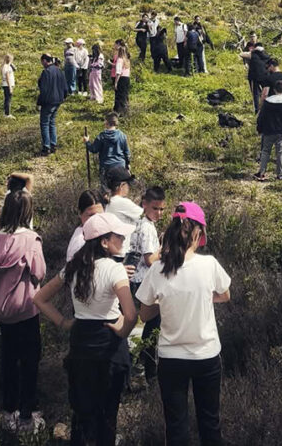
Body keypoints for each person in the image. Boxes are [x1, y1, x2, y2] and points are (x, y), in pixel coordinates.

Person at [33, 212, 137, 445]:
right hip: (109, 344)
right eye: (118, 236)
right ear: (104, 242)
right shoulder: (115, 269)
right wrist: (122, 330)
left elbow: (39, 298)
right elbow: (131, 315)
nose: (123, 239)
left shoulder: (73, 268)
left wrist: (63, 322)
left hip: (81, 342)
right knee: (108, 413)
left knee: (82, 410)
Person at [136, 202, 231, 445]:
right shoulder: (209, 265)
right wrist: (200, 296)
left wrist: (167, 300)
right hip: (206, 355)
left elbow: (144, 314)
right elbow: (225, 294)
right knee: (210, 424)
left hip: (171, 359)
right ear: (198, 233)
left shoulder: (158, 269)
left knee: (176, 428)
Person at [0, 173, 46, 434]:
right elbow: (39, 273)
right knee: (29, 363)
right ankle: (26, 417)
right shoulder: (30, 240)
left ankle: (8, 413)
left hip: (3, 312)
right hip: (26, 310)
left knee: (8, 362)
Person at [127, 187, 166, 385]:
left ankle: (138, 369)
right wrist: (164, 249)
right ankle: (147, 371)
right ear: (145, 205)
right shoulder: (148, 227)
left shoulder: (139, 222)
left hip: (135, 281)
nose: (159, 213)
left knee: (140, 328)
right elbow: (150, 259)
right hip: (143, 282)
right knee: (150, 327)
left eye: (161, 209)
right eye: (155, 208)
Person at [254, 80, 282, 182]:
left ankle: (261, 172)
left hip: (268, 130)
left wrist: (259, 127)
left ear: (274, 90)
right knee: (280, 153)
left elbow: (261, 116)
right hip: (281, 131)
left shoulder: (267, 102)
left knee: (265, 151)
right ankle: (280, 174)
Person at [104, 166, 143, 259]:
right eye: (128, 184)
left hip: (111, 252)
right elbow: (145, 215)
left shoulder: (110, 201)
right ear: (122, 186)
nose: (129, 187)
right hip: (121, 253)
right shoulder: (121, 202)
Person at [84, 111, 131, 186]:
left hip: (106, 167)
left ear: (107, 122)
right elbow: (127, 153)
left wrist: (87, 142)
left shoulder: (102, 136)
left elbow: (94, 149)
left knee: (106, 189)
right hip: (120, 166)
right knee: (120, 188)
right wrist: (127, 165)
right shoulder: (122, 135)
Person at [36, 53, 69, 156]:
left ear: (45, 61)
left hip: (48, 101)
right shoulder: (59, 70)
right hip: (58, 100)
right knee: (52, 122)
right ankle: (53, 144)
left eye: (42, 62)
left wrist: (39, 102)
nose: (42, 64)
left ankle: (46, 147)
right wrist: (63, 97)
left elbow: (44, 89)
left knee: (45, 123)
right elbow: (65, 86)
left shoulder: (46, 72)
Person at [66, 189, 108, 263]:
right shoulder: (80, 242)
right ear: (80, 213)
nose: (96, 219)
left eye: (100, 215)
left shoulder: (94, 234)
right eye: (91, 215)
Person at [240, 42, 270, 113]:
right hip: (265, 76)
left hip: (254, 77)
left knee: (256, 94)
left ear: (255, 47)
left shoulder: (252, 54)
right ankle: (267, 108)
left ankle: (257, 109)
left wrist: (252, 50)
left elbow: (241, 54)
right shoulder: (267, 55)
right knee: (266, 92)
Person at [113, 45, 131, 116]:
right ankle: (125, 110)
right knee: (125, 94)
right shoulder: (127, 60)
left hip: (121, 78)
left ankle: (118, 111)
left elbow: (118, 72)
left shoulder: (120, 60)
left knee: (119, 95)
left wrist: (116, 82)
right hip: (127, 78)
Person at [1, 53, 16, 118]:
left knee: (7, 99)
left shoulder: (7, 65)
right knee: (8, 99)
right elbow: (7, 77)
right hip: (7, 85)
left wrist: (11, 64)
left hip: (7, 84)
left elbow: (15, 69)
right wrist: (10, 87)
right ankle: (7, 114)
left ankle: (6, 113)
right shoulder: (6, 66)